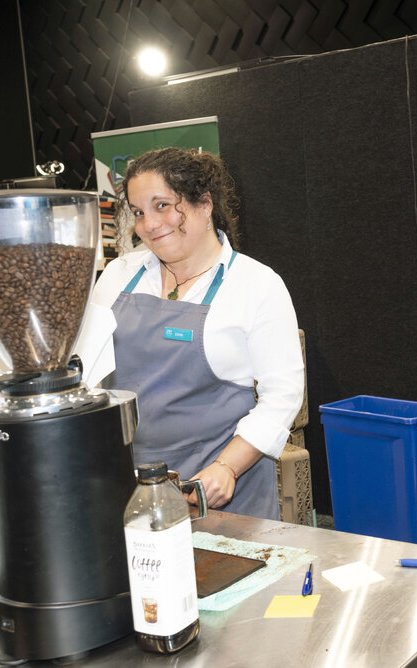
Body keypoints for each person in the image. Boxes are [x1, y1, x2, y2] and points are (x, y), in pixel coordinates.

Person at [91, 148, 304, 521]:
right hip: (130, 485)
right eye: (139, 212)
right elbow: (89, 374)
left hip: (217, 489)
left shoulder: (256, 285)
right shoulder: (118, 275)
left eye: (162, 206)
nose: (149, 224)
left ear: (204, 204)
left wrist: (227, 467)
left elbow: (282, 396)